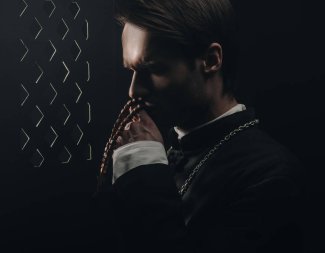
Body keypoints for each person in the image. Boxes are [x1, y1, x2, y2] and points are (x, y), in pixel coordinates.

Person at [99, 0, 303, 252]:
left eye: (153, 69)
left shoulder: (269, 175)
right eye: (131, 70)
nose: (133, 90)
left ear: (210, 60)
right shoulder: (167, 150)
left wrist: (144, 176)